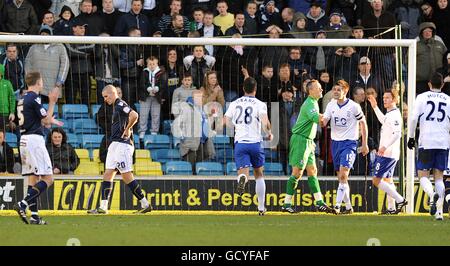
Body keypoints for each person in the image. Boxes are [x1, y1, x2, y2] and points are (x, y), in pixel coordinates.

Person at [88, 85, 152, 214]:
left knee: (126, 175)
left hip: (123, 144)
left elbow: (134, 115)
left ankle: (145, 204)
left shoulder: (120, 104)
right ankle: (103, 207)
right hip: (115, 143)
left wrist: (128, 128)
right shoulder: (115, 106)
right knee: (108, 174)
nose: (105, 99)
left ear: (112, 93)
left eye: (106, 96)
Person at [282, 79, 335, 214]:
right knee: (297, 173)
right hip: (301, 140)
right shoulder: (310, 104)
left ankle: (319, 202)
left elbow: (320, 118)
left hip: (309, 141)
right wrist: (331, 111)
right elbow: (319, 120)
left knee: (312, 171)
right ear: (310, 90)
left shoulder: (314, 103)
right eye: (319, 88)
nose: (321, 90)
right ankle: (286, 204)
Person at [14, 71, 61, 225]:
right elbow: (46, 121)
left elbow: (39, 120)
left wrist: (50, 120)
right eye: (41, 81)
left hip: (24, 140)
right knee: (48, 178)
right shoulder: (34, 97)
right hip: (34, 141)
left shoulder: (22, 99)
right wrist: (52, 101)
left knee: (33, 180)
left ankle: (34, 216)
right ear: (38, 82)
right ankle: (22, 204)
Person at [223, 77, 273, 216]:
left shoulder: (234, 103)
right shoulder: (260, 104)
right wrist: (269, 133)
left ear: (243, 89)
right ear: (255, 89)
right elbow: (265, 123)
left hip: (241, 143)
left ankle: (242, 179)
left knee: (243, 173)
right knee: (259, 174)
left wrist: (235, 128)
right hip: (255, 144)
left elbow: (225, 120)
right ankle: (261, 208)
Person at [321, 79, 369, 214]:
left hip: (349, 143)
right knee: (341, 178)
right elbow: (324, 122)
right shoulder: (331, 105)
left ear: (346, 91)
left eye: (339, 90)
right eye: (334, 89)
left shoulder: (354, 106)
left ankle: (336, 206)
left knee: (343, 175)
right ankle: (348, 207)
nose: (335, 92)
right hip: (335, 143)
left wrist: (364, 144)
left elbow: (363, 124)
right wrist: (316, 118)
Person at [407, 72, 450, 221]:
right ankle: (439, 213)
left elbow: (413, 118)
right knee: (439, 177)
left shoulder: (422, 97)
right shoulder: (448, 99)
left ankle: (432, 195)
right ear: (442, 85)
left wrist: (411, 137)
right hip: (443, 142)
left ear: (429, 84)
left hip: (427, 140)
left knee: (422, 174)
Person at [367, 88, 408, 215]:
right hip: (390, 153)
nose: (385, 100)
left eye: (388, 98)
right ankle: (391, 208)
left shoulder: (395, 115)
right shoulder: (390, 114)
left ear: (395, 100)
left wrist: (384, 147)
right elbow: (383, 120)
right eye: (384, 98)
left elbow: (397, 134)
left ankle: (400, 200)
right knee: (388, 181)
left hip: (388, 153)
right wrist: (375, 107)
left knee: (376, 180)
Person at [0, 64, 16, 132]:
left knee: (3, 133)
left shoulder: (7, 83)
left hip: (4, 113)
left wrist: (12, 112)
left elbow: (12, 98)